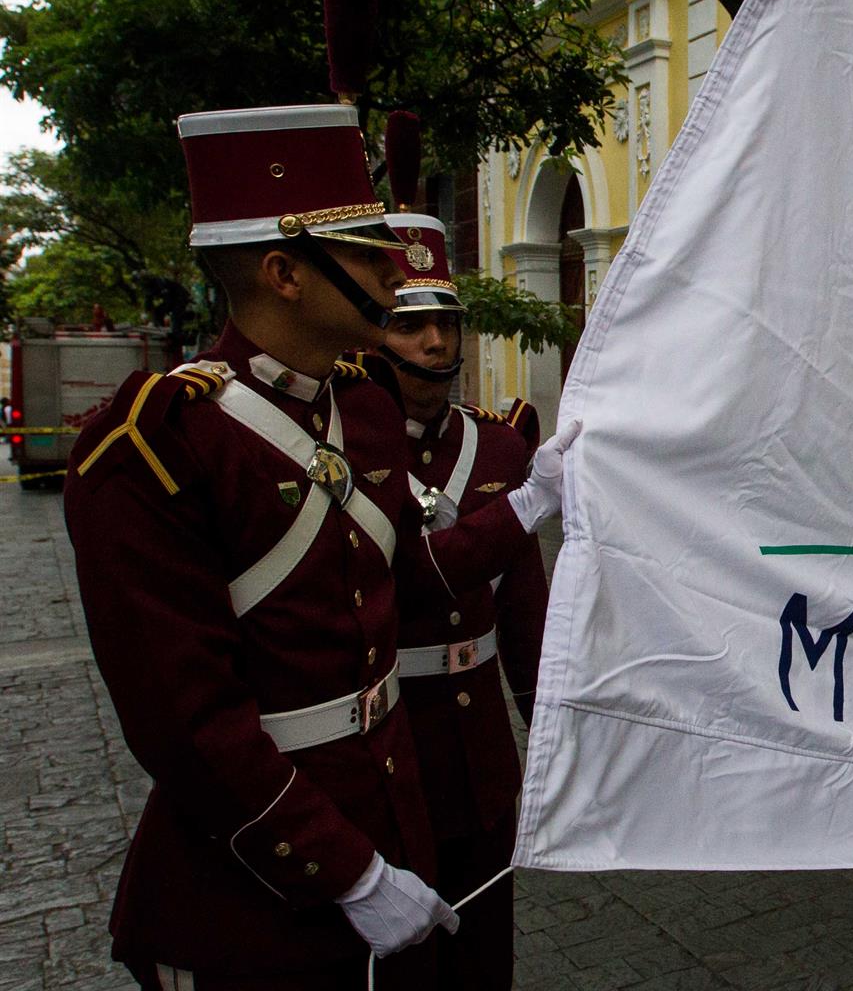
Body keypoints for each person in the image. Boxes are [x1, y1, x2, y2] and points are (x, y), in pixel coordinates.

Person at [63, 101, 576, 990]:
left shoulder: (364, 409)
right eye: (366, 252)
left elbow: (407, 586)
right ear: (283, 274)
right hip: (256, 891)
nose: (393, 269)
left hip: (398, 827)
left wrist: (527, 502)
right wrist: (348, 871)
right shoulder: (157, 448)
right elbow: (186, 723)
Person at [382, 204, 549, 990]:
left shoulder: (503, 444)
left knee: (485, 956)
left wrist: (546, 728)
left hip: (481, 743)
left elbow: (524, 610)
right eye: (408, 325)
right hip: (392, 744)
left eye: (444, 322)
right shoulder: (338, 451)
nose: (434, 343)